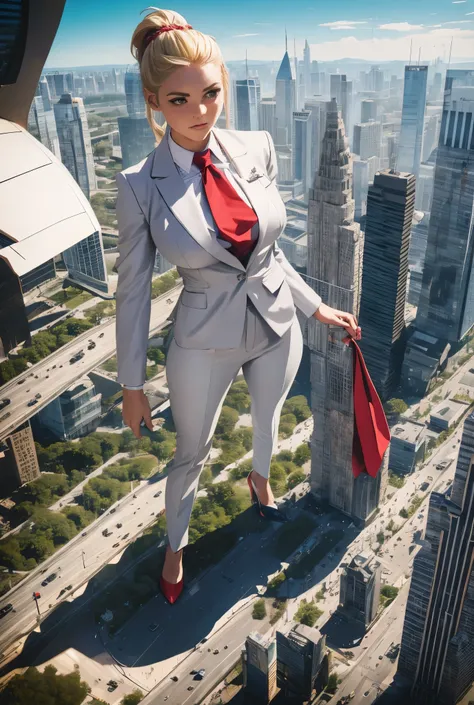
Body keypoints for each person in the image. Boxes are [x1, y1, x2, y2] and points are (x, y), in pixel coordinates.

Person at [115, 8, 361, 604]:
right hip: (202, 340)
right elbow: (134, 289)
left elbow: (269, 250)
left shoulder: (257, 146)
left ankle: (259, 475)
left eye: (211, 93)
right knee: (190, 452)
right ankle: (176, 545)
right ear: (153, 100)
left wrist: (314, 306)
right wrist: (131, 384)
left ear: (223, 83)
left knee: (269, 420)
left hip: (278, 321)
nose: (200, 112)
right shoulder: (139, 183)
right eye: (180, 100)